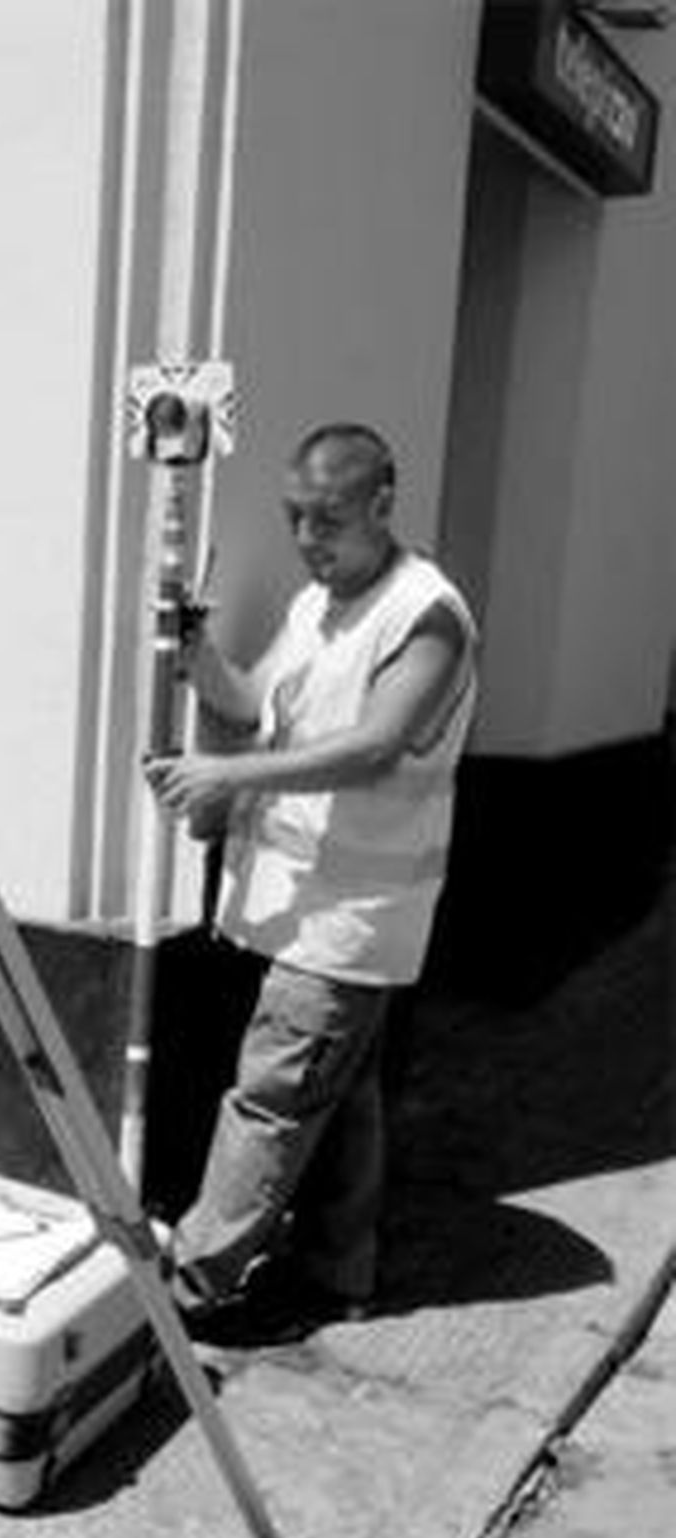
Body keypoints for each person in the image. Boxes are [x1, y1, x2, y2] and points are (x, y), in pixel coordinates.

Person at [144, 422, 476, 1342]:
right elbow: (256, 702)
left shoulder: (428, 616)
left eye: (326, 518)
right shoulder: (316, 604)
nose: (305, 538)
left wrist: (224, 777)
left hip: (350, 922)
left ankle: (192, 1291)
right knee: (339, 1100)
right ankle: (338, 1276)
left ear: (382, 502)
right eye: (294, 517)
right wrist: (196, 650)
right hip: (299, 912)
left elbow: (376, 746)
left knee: (271, 1105)